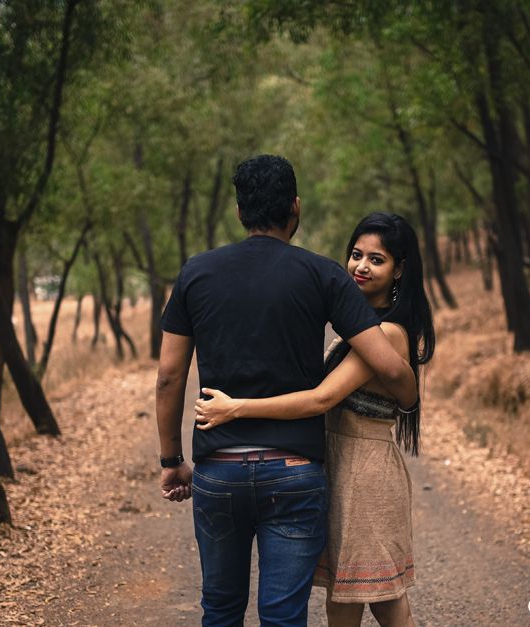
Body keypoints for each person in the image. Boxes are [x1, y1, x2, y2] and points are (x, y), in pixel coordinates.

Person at [155, 156, 419, 627]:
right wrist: (407, 395)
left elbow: (169, 377)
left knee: (220, 607)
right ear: (295, 207)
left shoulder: (195, 273)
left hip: (219, 469)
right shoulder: (321, 274)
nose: (361, 265)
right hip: (295, 472)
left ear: (239, 212)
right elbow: (391, 368)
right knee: (282, 614)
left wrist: (172, 460)